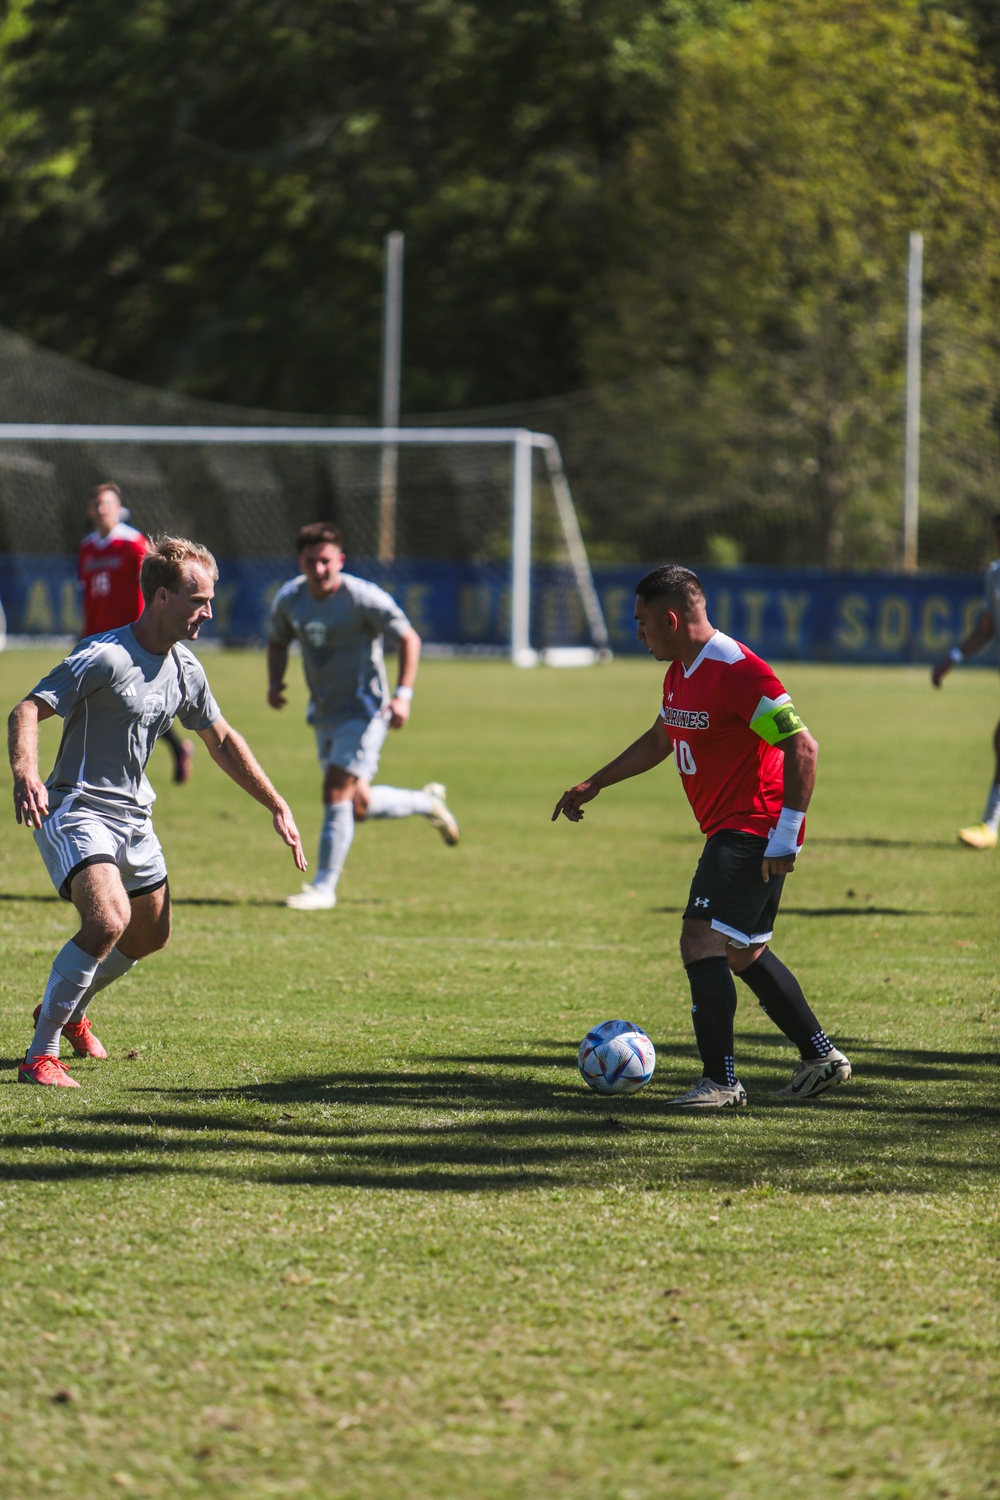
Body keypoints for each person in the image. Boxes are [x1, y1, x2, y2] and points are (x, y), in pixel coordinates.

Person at [9, 534, 307, 1087]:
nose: (208, 612)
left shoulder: (187, 669)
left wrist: (275, 802)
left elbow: (219, 739)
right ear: (162, 597)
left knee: (149, 937)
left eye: (211, 600)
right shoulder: (105, 655)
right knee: (107, 921)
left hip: (135, 817)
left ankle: (67, 1008)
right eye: (198, 600)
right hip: (78, 807)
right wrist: (26, 771)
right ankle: (38, 1056)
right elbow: (26, 709)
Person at [553, 563, 851, 1108]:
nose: (637, 633)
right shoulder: (681, 671)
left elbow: (802, 747)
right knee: (742, 951)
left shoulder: (737, 670)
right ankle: (821, 1058)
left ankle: (721, 1081)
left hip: (753, 825)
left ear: (671, 618)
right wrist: (596, 781)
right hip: (735, 826)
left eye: (642, 622)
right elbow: (662, 735)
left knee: (700, 938)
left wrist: (787, 830)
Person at [267, 522, 459, 911]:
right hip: (323, 711)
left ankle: (323, 887)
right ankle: (425, 803)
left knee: (334, 788)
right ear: (300, 562)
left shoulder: (362, 598)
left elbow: (408, 638)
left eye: (325, 562)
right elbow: (278, 639)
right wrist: (276, 683)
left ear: (340, 560)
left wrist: (403, 695)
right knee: (356, 806)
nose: (319, 570)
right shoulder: (290, 599)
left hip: (367, 710)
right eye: (310, 562)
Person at [79, 482, 195, 784]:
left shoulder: (133, 544)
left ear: (119, 509)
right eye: (98, 504)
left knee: (136, 699)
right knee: (92, 698)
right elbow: (89, 593)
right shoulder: (87, 547)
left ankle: (165, 751)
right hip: (96, 635)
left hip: (131, 635)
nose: (102, 509)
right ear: (92, 510)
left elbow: (155, 586)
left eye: (108, 503)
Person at [930, 510, 1000, 850]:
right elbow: (987, 627)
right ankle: (990, 824)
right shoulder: (995, 575)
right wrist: (953, 658)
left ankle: (991, 824)